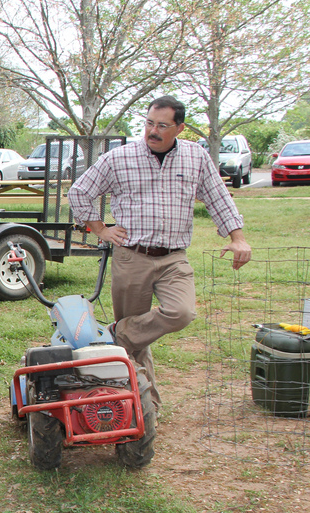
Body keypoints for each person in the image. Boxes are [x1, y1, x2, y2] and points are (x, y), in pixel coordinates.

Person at [67, 95, 252, 414]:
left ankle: (116, 333)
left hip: (173, 258)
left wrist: (238, 238)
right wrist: (100, 229)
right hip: (132, 257)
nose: (153, 130)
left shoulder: (196, 157)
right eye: (149, 123)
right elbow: (80, 191)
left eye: (162, 125)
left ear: (179, 128)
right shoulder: (119, 158)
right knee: (137, 345)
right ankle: (144, 406)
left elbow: (218, 197)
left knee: (181, 312)